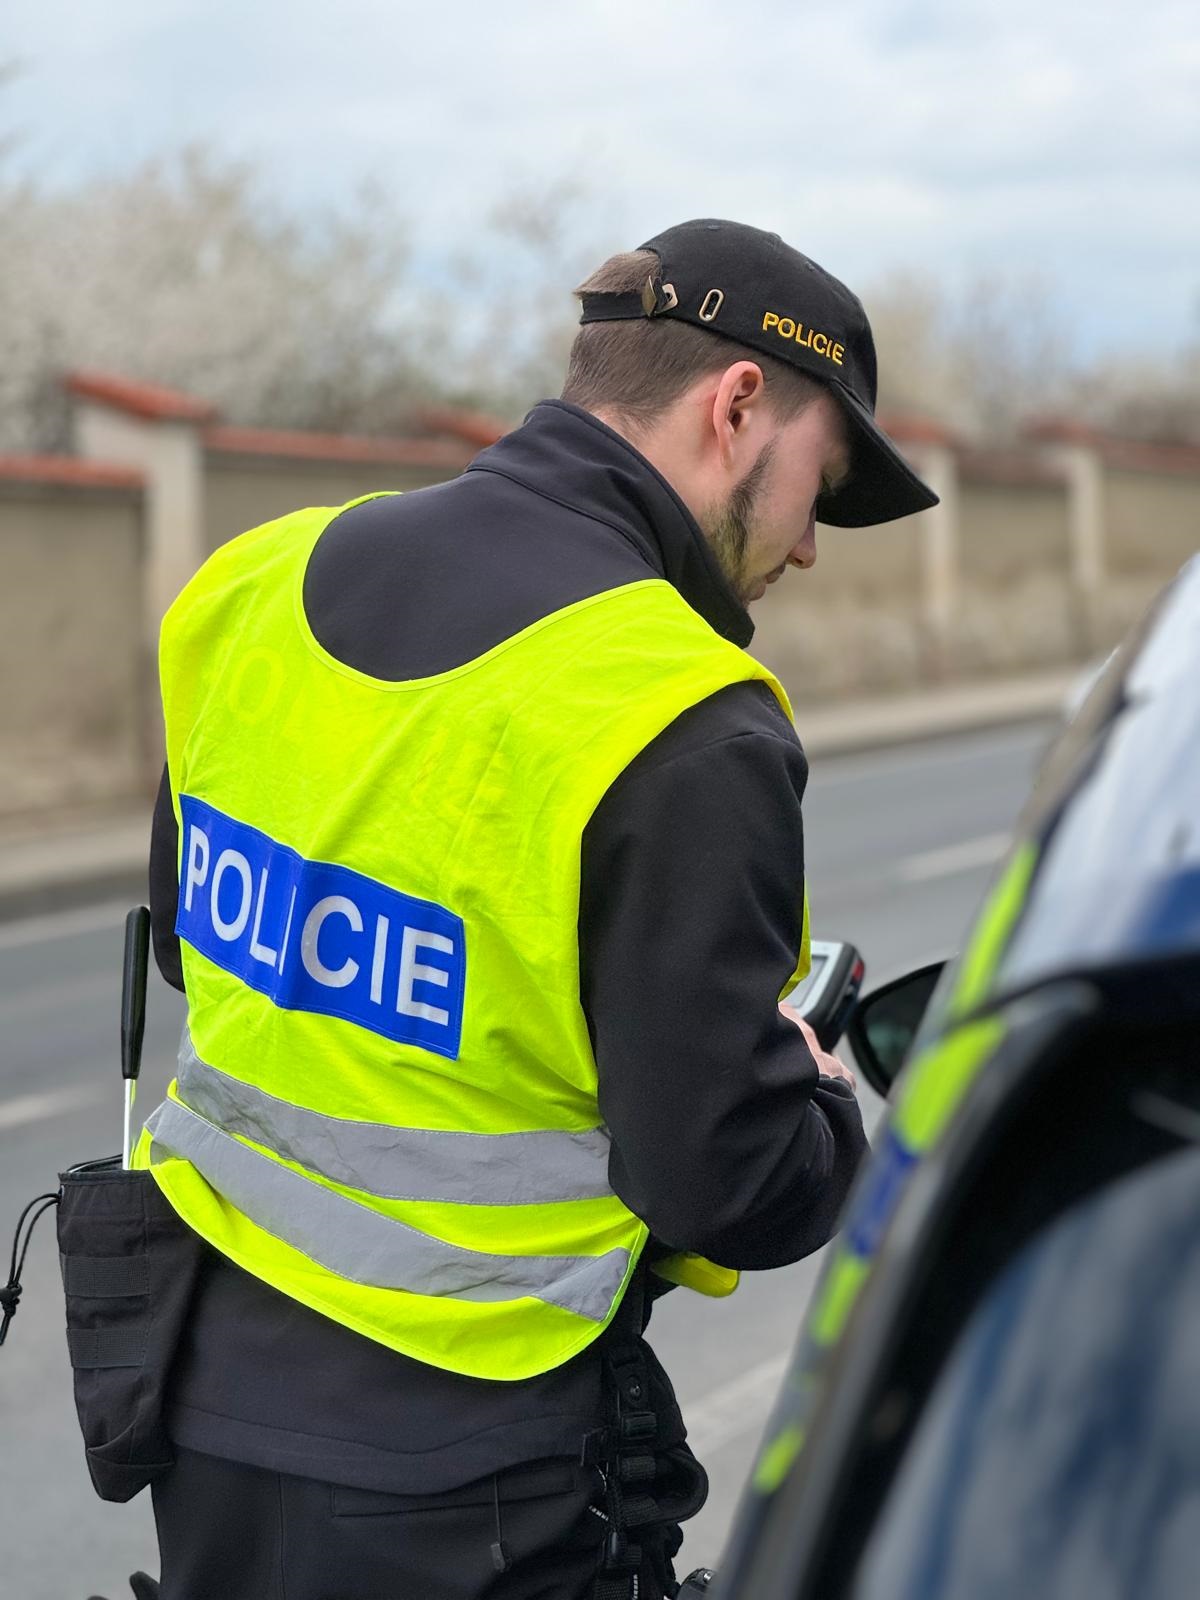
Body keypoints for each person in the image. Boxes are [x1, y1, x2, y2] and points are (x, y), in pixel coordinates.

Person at [136, 218, 937, 1600]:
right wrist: (818, 1104)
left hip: (195, 1407)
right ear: (738, 405)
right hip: (473, 1487)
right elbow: (727, 1186)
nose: (808, 549)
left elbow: (186, 932)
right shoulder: (678, 715)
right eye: (823, 478)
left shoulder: (252, 579)